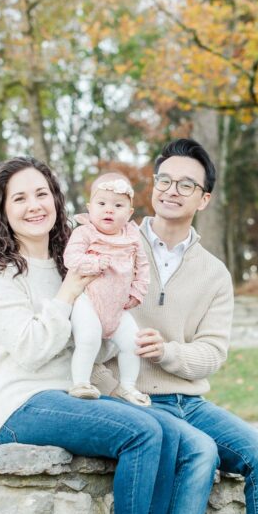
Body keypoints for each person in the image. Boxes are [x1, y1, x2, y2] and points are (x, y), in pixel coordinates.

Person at [94, 140, 258, 514]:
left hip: (192, 401)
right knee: (200, 453)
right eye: (164, 180)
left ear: (204, 198)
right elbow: (87, 335)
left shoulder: (214, 273)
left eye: (186, 184)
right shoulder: (115, 246)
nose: (172, 190)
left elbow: (213, 353)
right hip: (140, 400)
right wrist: (114, 394)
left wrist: (167, 351)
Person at [0, 155, 178, 514]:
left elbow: (90, 344)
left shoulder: (73, 260)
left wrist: (117, 331)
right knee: (141, 432)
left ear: (56, 199)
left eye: (42, 193)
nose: (34, 205)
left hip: (72, 394)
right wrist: (67, 294)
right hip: (23, 404)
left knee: (170, 432)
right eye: (20, 198)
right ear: (2, 210)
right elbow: (30, 350)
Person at [64, 172, 150, 406]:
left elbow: (143, 267)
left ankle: (128, 386)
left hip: (117, 307)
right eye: (102, 204)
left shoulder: (132, 238)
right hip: (89, 300)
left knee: (133, 343)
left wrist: (137, 292)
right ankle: (80, 382)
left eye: (118, 205)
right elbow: (70, 258)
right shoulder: (84, 233)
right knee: (88, 338)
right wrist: (93, 263)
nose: (109, 210)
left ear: (129, 213)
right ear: (90, 208)